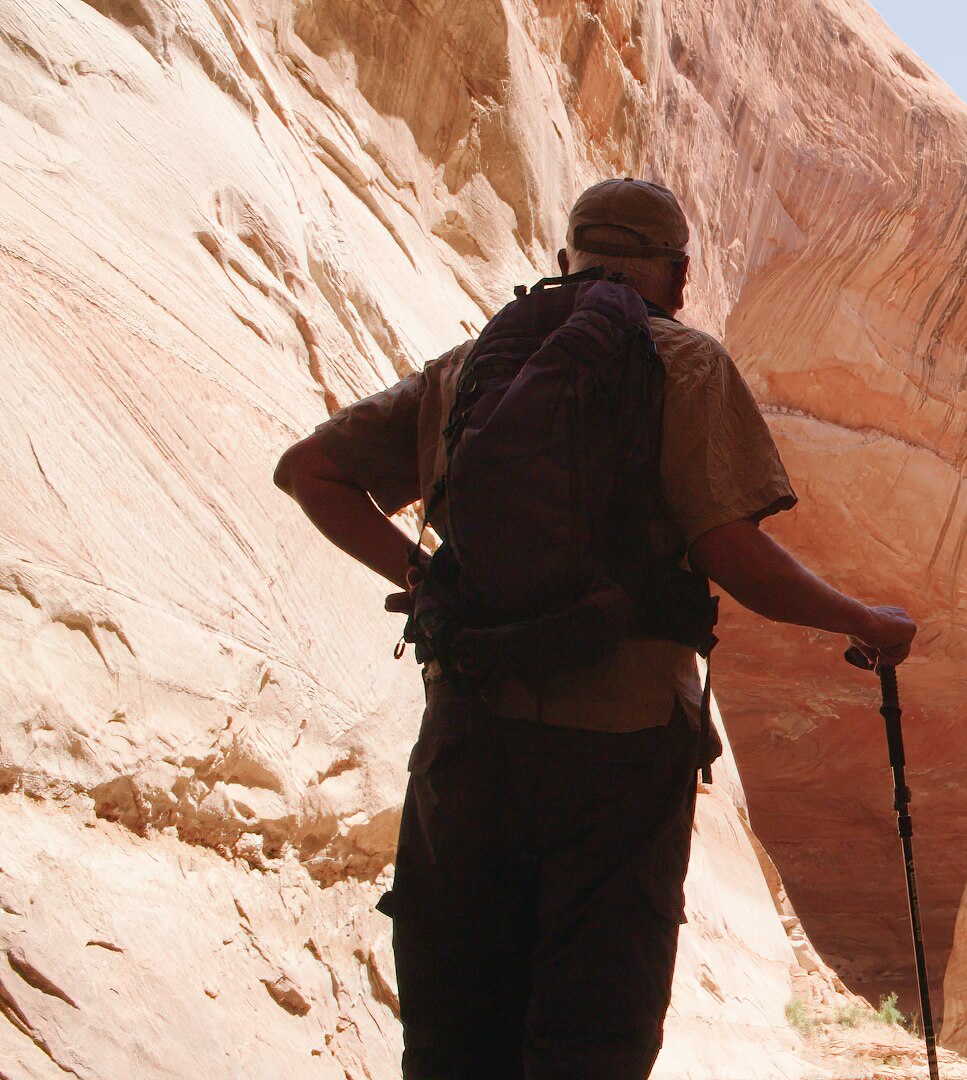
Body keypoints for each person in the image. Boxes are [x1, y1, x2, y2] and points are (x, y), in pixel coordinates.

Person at [274, 178, 916, 1078]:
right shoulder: (683, 364)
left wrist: (427, 582)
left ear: (566, 259)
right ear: (679, 275)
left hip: (467, 742)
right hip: (620, 758)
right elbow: (730, 550)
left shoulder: (471, 368)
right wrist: (862, 620)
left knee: (455, 1042)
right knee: (590, 1047)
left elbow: (310, 472)